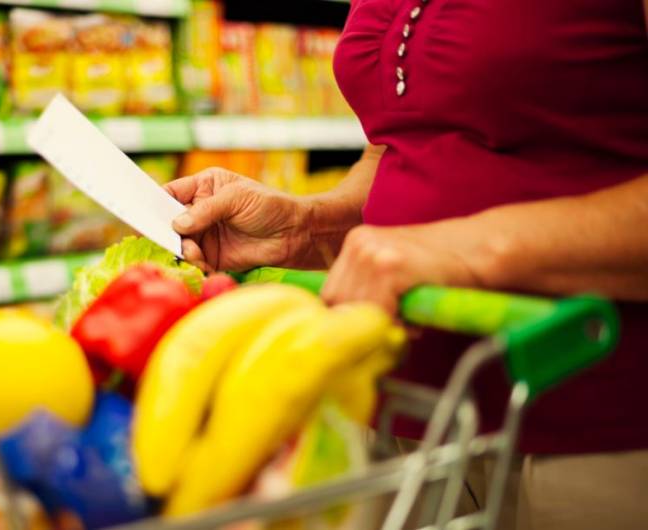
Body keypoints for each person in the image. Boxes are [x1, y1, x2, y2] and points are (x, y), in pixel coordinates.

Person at [165, 1, 648, 529]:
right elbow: (402, 144)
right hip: (406, 409)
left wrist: (462, 249)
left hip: (591, 429)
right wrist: (310, 225)